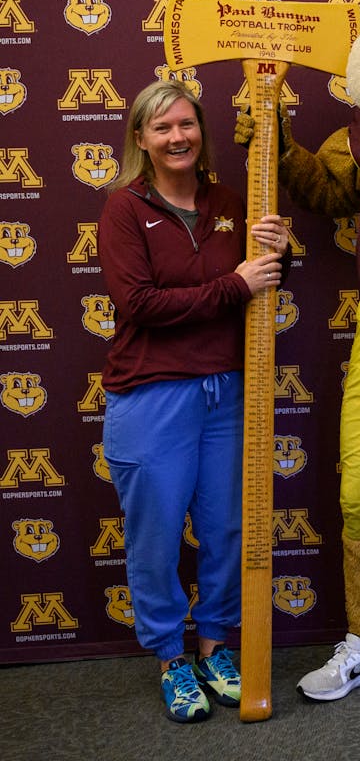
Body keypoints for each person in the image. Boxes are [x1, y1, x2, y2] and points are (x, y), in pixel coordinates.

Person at [99, 80, 289, 723]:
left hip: (226, 393)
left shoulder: (231, 203)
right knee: (154, 539)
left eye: (186, 124)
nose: (177, 137)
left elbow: (259, 286)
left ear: (201, 131)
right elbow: (141, 305)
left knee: (226, 530)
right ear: (141, 140)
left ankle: (213, 647)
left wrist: (273, 256)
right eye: (162, 128)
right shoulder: (125, 210)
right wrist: (234, 283)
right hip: (152, 396)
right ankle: (170, 659)